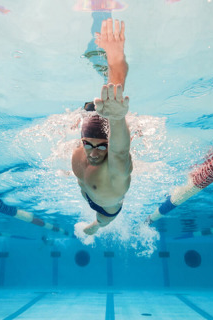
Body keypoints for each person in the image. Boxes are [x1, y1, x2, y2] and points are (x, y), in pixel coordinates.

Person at [72, 19, 132, 235]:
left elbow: (121, 151)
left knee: (101, 222)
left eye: (102, 147)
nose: (94, 152)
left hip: (106, 209)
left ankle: (97, 228)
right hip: (88, 191)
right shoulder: (82, 149)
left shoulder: (116, 173)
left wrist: (116, 58)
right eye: (88, 144)